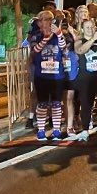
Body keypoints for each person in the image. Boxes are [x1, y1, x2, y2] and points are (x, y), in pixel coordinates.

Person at [29, 10, 69, 140]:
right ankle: (41, 130)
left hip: (57, 75)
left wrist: (58, 34)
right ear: (39, 22)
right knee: (42, 104)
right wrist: (46, 38)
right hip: (41, 76)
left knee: (57, 103)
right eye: (45, 19)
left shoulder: (57, 34)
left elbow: (64, 48)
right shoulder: (36, 35)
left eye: (50, 19)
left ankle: (56, 130)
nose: (48, 22)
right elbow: (35, 51)